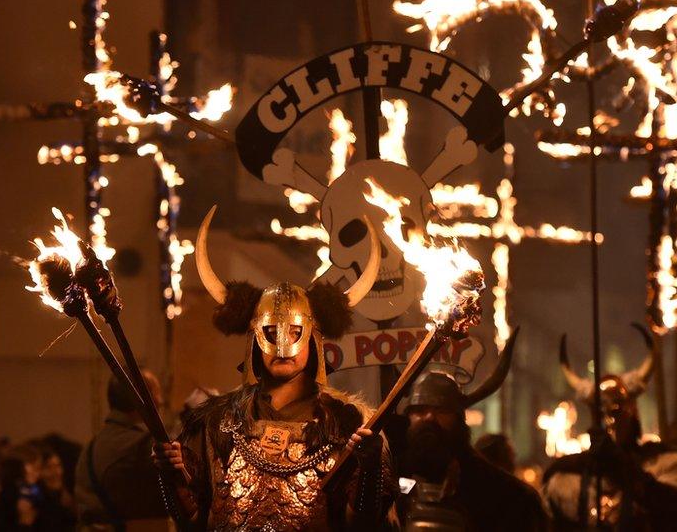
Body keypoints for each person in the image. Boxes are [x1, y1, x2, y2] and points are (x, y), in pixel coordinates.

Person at [152, 210, 396, 530]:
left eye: (295, 333)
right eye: (271, 334)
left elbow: (363, 523)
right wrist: (171, 479)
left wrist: (369, 469)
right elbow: (194, 522)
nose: (282, 348)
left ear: (313, 338)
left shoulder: (350, 424)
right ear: (255, 338)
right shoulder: (213, 423)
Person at [543, 333, 677, 530]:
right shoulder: (568, 474)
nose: (610, 419)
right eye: (602, 410)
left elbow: (675, 504)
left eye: (617, 409)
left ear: (632, 412)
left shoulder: (665, 463)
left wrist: (622, 466)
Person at [397, 367, 547, 532]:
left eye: (441, 410)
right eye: (420, 410)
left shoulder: (509, 497)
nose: (429, 417)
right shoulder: (390, 477)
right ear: (408, 417)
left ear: (458, 418)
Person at [75, 369, 170, 530]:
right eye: (156, 393)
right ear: (139, 399)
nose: (161, 401)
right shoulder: (142, 445)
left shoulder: (91, 446)